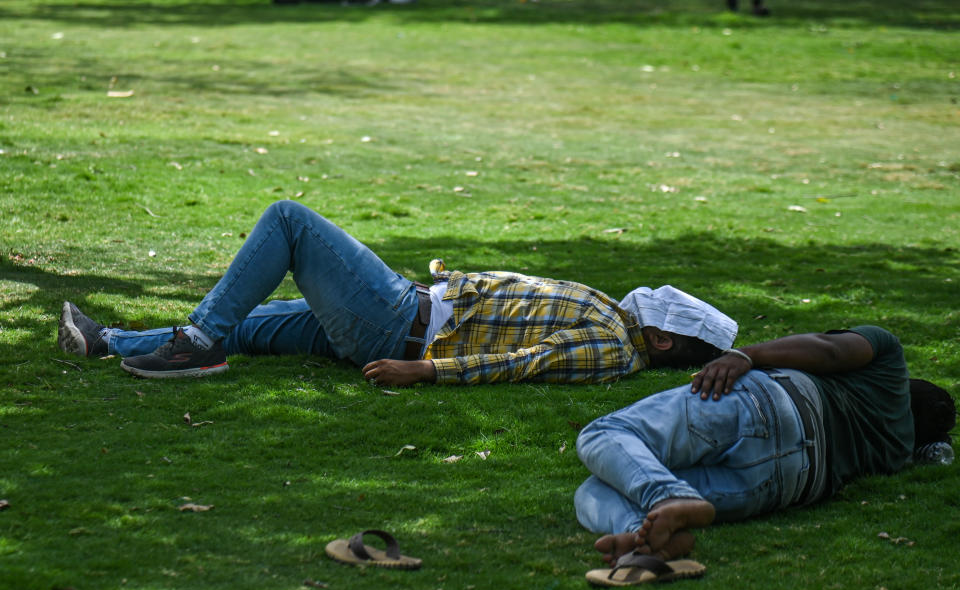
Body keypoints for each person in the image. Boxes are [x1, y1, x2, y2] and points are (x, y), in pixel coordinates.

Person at [57, 200, 738, 385]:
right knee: (258, 324)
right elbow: (518, 306)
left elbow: (519, 361)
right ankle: (109, 342)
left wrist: (425, 371)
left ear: (664, 338)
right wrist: (456, 281)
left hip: (398, 325)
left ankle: (196, 345)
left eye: (652, 312)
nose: (638, 303)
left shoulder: (614, 349)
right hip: (411, 307)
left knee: (289, 220)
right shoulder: (614, 317)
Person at [574, 326, 956, 567]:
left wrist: (746, 354)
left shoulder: (888, 356)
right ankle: (648, 541)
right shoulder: (896, 453)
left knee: (604, 434)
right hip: (789, 483)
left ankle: (667, 498)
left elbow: (830, 351)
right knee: (598, 485)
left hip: (774, 405)